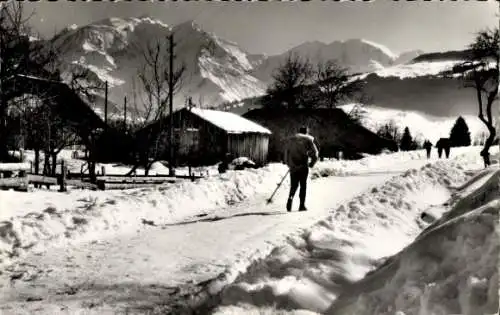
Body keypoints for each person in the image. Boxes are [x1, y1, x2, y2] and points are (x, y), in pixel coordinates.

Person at [284, 126, 319, 212]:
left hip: (293, 167)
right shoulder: (308, 140)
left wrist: (289, 164)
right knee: (303, 185)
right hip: (303, 166)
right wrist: (312, 163)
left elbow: (286, 153)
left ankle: (290, 197)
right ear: (306, 132)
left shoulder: (292, 140)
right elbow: (315, 153)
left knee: (293, 185)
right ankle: (301, 205)